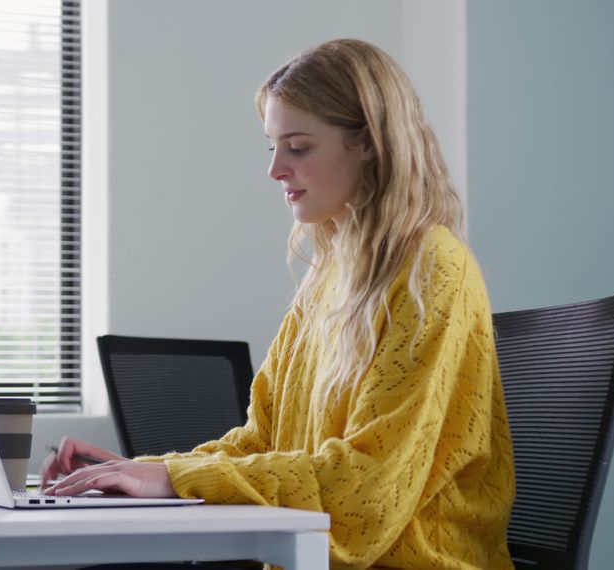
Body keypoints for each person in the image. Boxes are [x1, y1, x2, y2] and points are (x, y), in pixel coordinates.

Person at [41, 38, 516, 570]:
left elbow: (367, 487)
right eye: (272, 146)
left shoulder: (433, 270)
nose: (275, 170)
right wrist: (140, 470)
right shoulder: (330, 279)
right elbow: (262, 441)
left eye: (298, 146)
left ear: (368, 143)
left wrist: (176, 479)